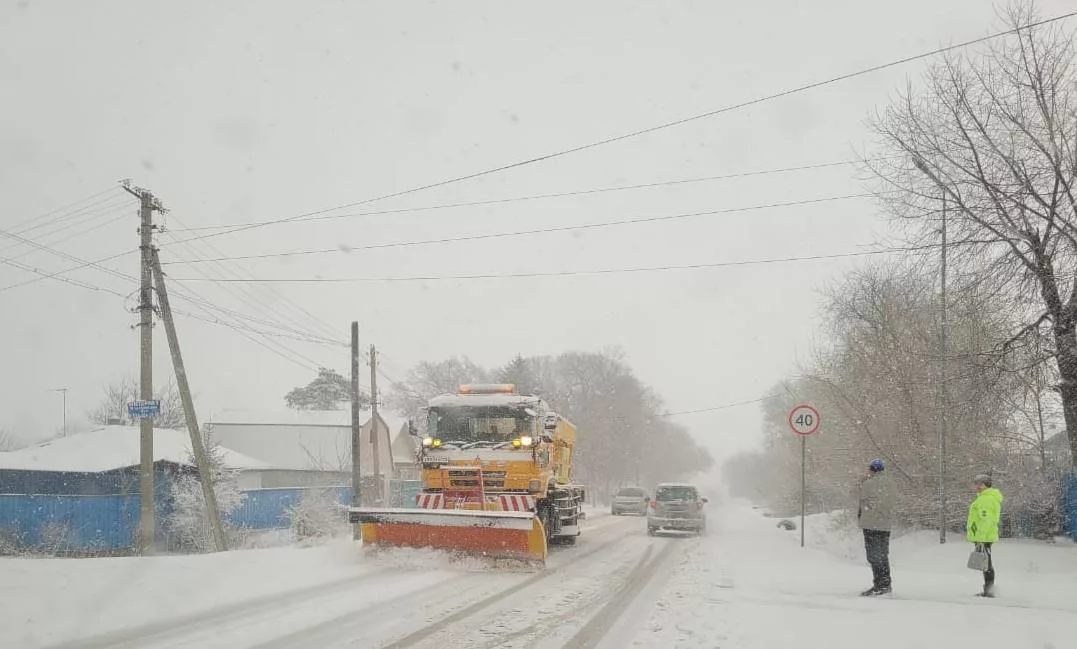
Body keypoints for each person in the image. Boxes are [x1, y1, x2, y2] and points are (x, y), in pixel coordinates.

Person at [858, 458, 896, 596]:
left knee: (874, 556)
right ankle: (886, 583)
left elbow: (857, 496)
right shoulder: (891, 484)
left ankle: (880, 585)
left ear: (872, 470)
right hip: (885, 526)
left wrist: (862, 480)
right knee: (883, 555)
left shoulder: (868, 484)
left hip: (871, 525)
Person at [967, 474, 1003, 597]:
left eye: (980, 484)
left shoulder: (985, 499)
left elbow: (985, 519)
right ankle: (988, 589)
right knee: (985, 563)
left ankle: (989, 590)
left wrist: (980, 538)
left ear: (986, 485)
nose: (977, 486)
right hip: (986, 536)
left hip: (984, 537)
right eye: (976, 483)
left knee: (986, 564)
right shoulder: (988, 497)